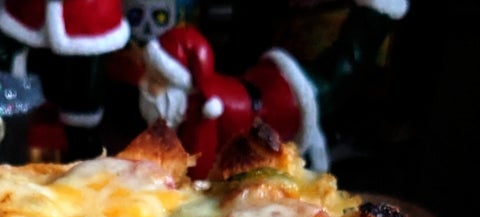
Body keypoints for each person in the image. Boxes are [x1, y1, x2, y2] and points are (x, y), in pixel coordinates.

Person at [139, 0, 409, 179]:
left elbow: (199, 168)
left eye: (157, 84)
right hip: (266, 88)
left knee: (340, 74)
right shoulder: (190, 107)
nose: (152, 92)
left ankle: (376, 13)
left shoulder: (206, 105)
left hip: (288, 97)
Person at [0, 0, 130, 159]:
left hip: (91, 15)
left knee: (84, 85)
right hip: (32, 16)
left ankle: (81, 138)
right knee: (25, 63)